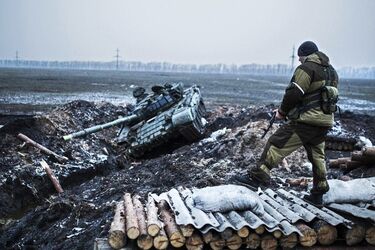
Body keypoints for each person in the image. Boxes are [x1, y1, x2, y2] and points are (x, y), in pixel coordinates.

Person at [234, 41, 339, 206]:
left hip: (306, 121)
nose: (298, 60)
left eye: (300, 57)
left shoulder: (306, 68)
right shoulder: (332, 72)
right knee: (318, 156)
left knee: (276, 143)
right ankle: (318, 193)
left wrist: (282, 112)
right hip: (325, 122)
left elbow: (294, 93)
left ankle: (256, 177)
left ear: (305, 54)